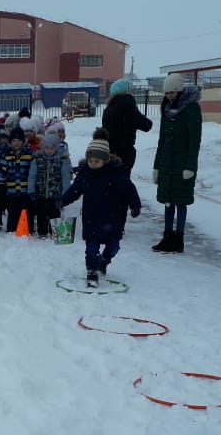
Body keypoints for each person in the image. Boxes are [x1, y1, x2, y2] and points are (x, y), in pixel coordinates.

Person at [60, 137, 141, 287]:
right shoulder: (85, 174)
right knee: (91, 249)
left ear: (105, 160)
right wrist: (62, 201)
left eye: (97, 161)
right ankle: (91, 273)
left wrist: (135, 205)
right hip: (91, 219)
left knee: (114, 247)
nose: (93, 164)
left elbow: (129, 190)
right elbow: (74, 191)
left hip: (112, 219)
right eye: (90, 161)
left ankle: (103, 261)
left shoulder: (116, 174)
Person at [151, 73, 201, 254]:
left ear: (179, 91)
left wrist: (190, 166)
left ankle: (178, 239)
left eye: (172, 93)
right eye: (166, 93)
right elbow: (162, 140)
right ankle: (167, 236)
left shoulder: (192, 109)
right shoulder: (166, 109)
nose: (169, 96)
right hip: (167, 163)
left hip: (182, 164)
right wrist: (157, 166)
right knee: (167, 201)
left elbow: (194, 141)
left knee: (180, 202)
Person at [101, 78, 153, 171]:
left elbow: (106, 130)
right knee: (123, 177)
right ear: (127, 92)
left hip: (110, 151)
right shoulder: (130, 107)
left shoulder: (108, 110)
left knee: (111, 177)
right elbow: (147, 125)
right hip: (126, 152)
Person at [28, 131, 72, 239]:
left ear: (56, 147)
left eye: (52, 148)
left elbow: (65, 177)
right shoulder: (38, 159)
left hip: (55, 194)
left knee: (54, 213)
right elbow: (32, 176)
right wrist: (31, 190)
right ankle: (42, 232)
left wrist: (65, 194)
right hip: (41, 193)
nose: (49, 150)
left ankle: (55, 232)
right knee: (41, 214)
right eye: (46, 148)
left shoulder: (62, 160)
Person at [0, 126, 35, 233]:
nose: (16, 143)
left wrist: (33, 186)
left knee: (26, 212)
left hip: (25, 190)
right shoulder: (6, 155)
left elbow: (33, 171)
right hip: (11, 191)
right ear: (10, 142)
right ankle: (12, 230)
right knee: (13, 212)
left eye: (19, 140)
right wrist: (1, 184)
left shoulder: (29, 154)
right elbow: (2, 171)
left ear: (23, 141)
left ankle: (27, 230)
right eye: (14, 140)